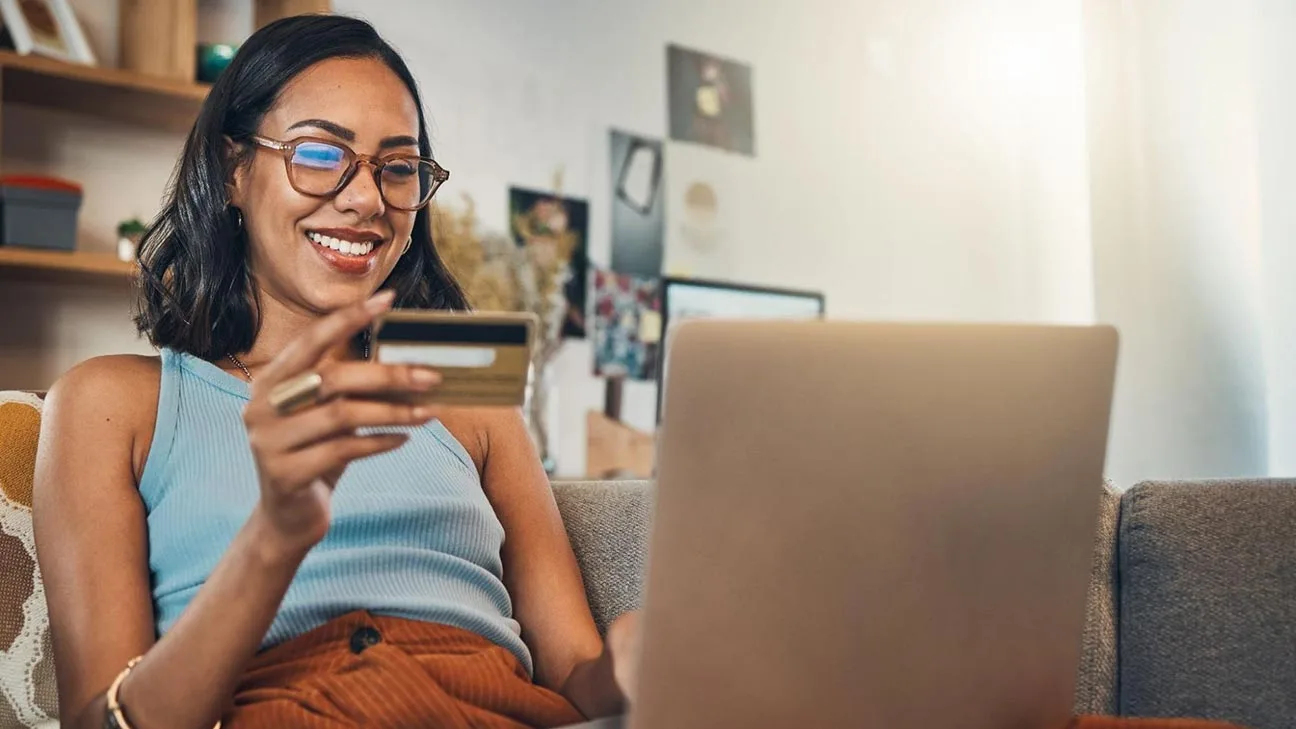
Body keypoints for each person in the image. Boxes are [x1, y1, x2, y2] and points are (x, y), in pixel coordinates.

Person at [32, 15, 637, 729]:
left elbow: (572, 674)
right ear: (232, 170)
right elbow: (102, 721)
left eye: (399, 166)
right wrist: (276, 532)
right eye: (320, 154)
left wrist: (635, 661)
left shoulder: (467, 397)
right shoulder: (112, 405)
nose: (366, 199)